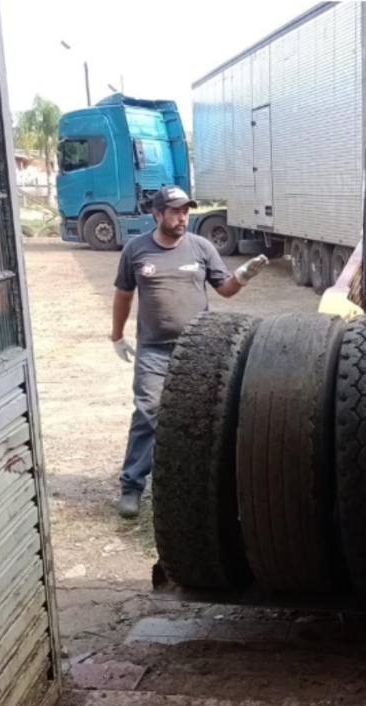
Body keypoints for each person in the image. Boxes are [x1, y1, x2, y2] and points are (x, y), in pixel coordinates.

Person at [111, 185, 268, 519]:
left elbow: (225, 290)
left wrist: (242, 276)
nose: (182, 217)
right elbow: (123, 295)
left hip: (197, 348)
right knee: (149, 411)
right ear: (157, 214)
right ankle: (132, 488)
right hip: (153, 349)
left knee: (201, 416)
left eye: (186, 211)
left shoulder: (201, 247)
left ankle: (194, 487)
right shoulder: (136, 250)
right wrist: (117, 336)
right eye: (175, 211)